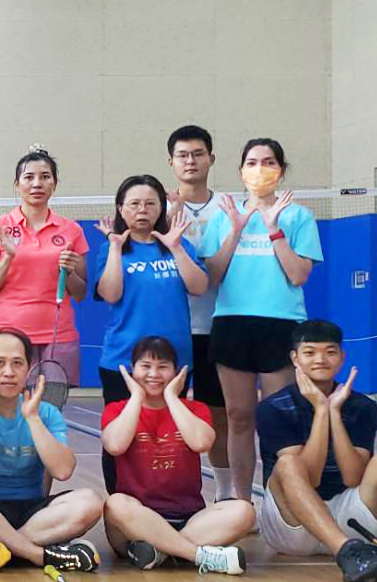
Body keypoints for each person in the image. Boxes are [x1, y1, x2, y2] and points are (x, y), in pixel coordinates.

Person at [197, 138, 323, 501]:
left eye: (268, 162)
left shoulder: (298, 216)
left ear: (281, 170)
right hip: (232, 323)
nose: (260, 169)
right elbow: (213, 276)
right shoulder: (223, 216)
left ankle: (278, 501)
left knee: (276, 418)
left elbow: (298, 275)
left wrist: (274, 228)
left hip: (280, 324)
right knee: (238, 416)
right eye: (252, 162)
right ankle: (241, 501)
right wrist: (236, 229)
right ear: (241, 171)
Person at [255, 320, 377, 582]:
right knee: (288, 463)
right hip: (293, 524)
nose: (320, 360)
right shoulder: (273, 408)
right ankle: (346, 552)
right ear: (295, 359)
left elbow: (353, 477)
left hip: (347, 516)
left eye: (330, 352)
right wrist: (320, 410)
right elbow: (311, 478)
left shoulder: (362, 406)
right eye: (310, 352)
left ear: (342, 358)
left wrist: (334, 413)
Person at [0, 329, 103, 572]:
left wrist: (33, 419)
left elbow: (63, 470)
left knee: (90, 502)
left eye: (17, 363)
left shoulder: (45, 412)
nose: (9, 371)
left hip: (31, 512)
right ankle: (37, 555)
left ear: (28, 370)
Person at [99, 336, 252, 574]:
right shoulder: (117, 409)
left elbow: (201, 443)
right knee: (116, 504)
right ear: (132, 370)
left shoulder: (195, 409)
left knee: (244, 511)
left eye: (162, 367)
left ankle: (159, 551)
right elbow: (115, 445)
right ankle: (197, 555)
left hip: (189, 519)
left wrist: (171, 397)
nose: (154, 374)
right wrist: (137, 397)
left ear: (176, 372)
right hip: (135, 521)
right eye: (145, 366)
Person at [0, 147, 86, 401]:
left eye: (45, 177)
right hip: (10, 334)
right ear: (17, 184)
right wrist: (8, 258)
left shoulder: (72, 230)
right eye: (29, 177)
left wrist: (69, 272)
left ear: (54, 184)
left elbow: (80, 292)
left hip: (58, 335)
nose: (37, 183)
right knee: (9, 409)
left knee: (50, 409)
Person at [91, 175, 207, 403]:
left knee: (170, 426)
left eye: (150, 203)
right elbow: (111, 295)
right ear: (121, 209)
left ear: (162, 208)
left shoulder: (180, 245)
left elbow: (199, 287)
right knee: (124, 426)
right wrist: (115, 248)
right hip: (123, 360)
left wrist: (176, 248)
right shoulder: (110, 249)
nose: (142, 210)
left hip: (173, 361)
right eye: (134, 203)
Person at [167, 125, 232, 500]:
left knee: (217, 412)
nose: (190, 161)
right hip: (171, 328)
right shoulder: (159, 208)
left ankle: (224, 492)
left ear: (211, 158)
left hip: (215, 327)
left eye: (197, 154)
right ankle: (177, 490)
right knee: (169, 412)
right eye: (182, 155)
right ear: (171, 162)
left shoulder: (229, 208)